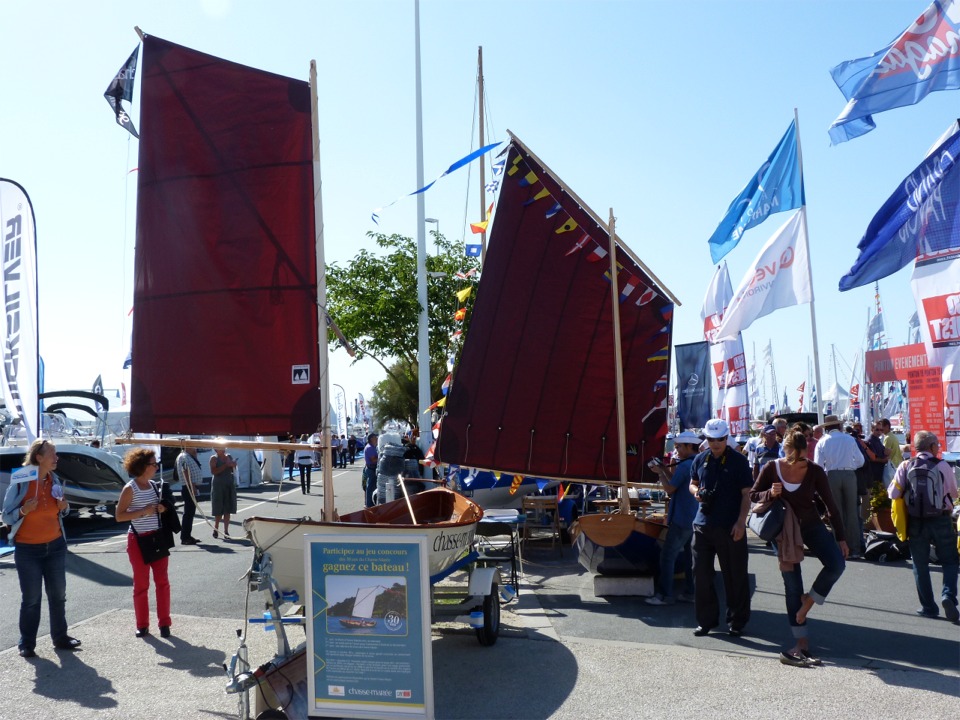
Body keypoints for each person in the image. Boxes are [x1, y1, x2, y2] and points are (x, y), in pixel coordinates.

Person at [751, 430, 848, 666]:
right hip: (783, 532)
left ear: (806, 451)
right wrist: (769, 493)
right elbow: (754, 495)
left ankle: (808, 602)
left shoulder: (814, 470)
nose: (797, 461)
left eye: (801, 457)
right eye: (792, 456)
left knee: (837, 564)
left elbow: (831, 505)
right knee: (792, 584)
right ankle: (800, 644)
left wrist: (841, 538)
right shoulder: (772, 468)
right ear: (785, 450)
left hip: (811, 525)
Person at [2, 439, 81, 658]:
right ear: (39, 457)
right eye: (53, 454)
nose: (57, 458)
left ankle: (60, 637)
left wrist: (64, 508)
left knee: (58, 595)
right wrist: (24, 510)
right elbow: (6, 515)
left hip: (54, 545)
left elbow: (61, 513)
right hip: (28, 550)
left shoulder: (54, 479)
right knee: (32, 598)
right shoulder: (21, 480)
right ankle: (26, 643)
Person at [689, 418, 753, 638]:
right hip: (702, 525)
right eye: (710, 439)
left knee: (735, 575)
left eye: (719, 439)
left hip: (729, 526)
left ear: (727, 438)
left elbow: (747, 494)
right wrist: (695, 492)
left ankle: (736, 621)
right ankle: (706, 621)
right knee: (701, 574)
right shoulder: (699, 459)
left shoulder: (738, 461)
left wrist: (741, 522)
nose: (715, 443)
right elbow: (693, 482)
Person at [887, 430, 959, 623]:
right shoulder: (942, 465)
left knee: (920, 565)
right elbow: (953, 492)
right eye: (937, 445)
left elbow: (893, 494)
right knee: (950, 561)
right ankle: (948, 596)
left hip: (916, 521)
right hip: (940, 518)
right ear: (932, 446)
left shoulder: (906, 465)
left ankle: (928, 607)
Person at [115, 448, 172, 638]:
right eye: (153, 464)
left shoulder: (155, 486)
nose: (156, 467)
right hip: (138, 539)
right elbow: (119, 516)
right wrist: (143, 512)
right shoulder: (130, 488)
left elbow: (158, 510)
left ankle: (164, 624)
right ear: (142, 466)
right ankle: (142, 624)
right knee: (141, 585)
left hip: (157, 537)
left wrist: (161, 509)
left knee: (162, 582)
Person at [646, 430, 699, 606]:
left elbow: (670, 489)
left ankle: (664, 595)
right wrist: (663, 469)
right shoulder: (696, 462)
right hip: (693, 517)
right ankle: (691, 592)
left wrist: (659, 473)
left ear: (689, 446)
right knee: (689, 558)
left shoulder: (685, 465)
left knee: (667, 556)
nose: (676, 450)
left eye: (678, 447)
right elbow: (677, 482)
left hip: (681, 518)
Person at [813, 415, 865, 558]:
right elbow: (860, 461)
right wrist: (849, 466)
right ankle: (854, 549)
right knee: (852, 512)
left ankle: (839, 548)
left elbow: (818, 465)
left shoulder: (822, 442)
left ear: (827, 428)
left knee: (836, 512)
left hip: (831, 475)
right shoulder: (850, 439)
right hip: (849, 474)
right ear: (839, 427)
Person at [175, 446, 202, 545]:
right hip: (189, 487)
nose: (195, 448)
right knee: (188, 513)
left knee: (190, 513)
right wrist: (192, 486)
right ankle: (185, 537)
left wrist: (195, 456)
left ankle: (187, 535)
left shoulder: (189, 456)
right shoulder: (183, 457)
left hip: (191, 486)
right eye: (192, 446)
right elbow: (185, 471)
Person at [209, 447, 238, 539]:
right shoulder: (214, 458)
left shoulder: (228, 456)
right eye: (221, 448)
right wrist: (226, 465)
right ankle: (216, 528)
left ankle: (226, 531)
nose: (223, 449)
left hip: (229, 484)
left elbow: (233, 467)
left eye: (224, 447)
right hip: (218, 486)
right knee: (218, 508)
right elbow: (214, 471)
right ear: (216, 449)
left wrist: (233, 465)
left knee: (228, 508)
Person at [363, 433, 379, 508]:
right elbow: (373, 460)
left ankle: (370, 503)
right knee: (370, 487)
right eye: (375, 437)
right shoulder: (369, 448)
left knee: (372, 486)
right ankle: (369, 504)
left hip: (372, 468)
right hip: (371, 468)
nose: (377, 438)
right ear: (371, 439)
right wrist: (381, 457)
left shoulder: (373, 447)